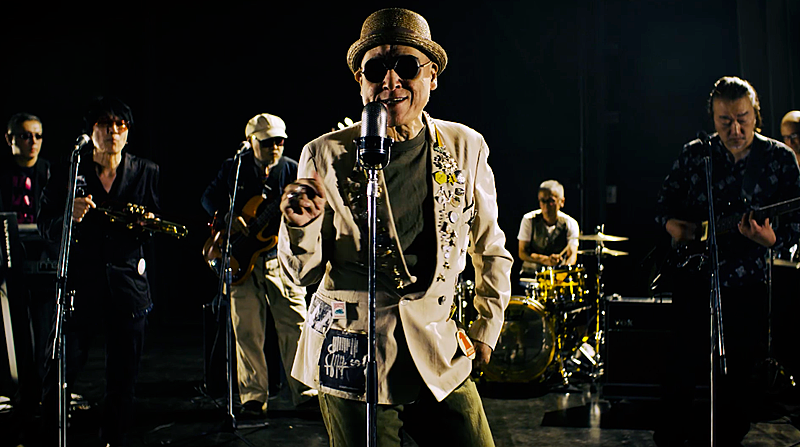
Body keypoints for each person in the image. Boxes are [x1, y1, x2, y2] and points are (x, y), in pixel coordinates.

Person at [278, 8, 513, 446]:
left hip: (438, 350)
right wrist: (299, 228)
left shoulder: (466, 146)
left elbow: (491, 247)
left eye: (406, 66)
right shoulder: (324, 153)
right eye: (375, 69)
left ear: (432, 76)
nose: (390, 81)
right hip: (351, 356)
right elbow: (301, 275)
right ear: (360, 81)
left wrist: (486, 329)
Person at [654, 76, 800, 446]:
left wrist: (770, 239)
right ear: (713, 118)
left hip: (747, 283)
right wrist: (674, 226)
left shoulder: (779, 159)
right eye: (725, 121)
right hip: (694, 276)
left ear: (756, 116)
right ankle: (671, 436)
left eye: (742, 119)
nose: (735, 130)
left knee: (740, 373)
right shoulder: (695, 154)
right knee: (681, 366)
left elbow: (796, 225)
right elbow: (664, 203)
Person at [37, 97, 161, 447]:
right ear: (90, 131)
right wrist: (69, 215)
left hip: (128, 288)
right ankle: (50, 434)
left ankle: (113, 439)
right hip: (79, 287)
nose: (113, 131)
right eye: (105, 124)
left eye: (120, 124)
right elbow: (45, 225)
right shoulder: (69, 169)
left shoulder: (146, 171)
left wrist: (146, 225)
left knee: (123, 377)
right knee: (61, 369)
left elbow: (154, 223)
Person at [201, 113, 312, 419]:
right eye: (267, 142)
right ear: (250, 142)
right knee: (247, 330)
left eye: (280, 141)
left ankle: (305, 392)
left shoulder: (292, 169)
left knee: (295, 325)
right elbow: (207, 198)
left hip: (280, 258)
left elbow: (309, 210)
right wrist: (227, 216)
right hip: (241, 261)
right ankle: (252, 397)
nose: (275, 147)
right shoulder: (234, 168)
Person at [1, 112, 53, 444]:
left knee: (45, 329)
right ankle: (23, 395)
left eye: (37, 135)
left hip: (44, 261)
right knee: (17, 330)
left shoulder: (49, 172)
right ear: (10, 139)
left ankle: (42, 395)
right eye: (24, 135)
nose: (32, 142)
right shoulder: (3, 174)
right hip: (9, 263)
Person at [517, 179, 579, 277]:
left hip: (557, 276)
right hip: (531, 275)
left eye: (551, 201)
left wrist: (563, 273)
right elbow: (522, 252)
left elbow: (572, 255)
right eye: (543, 201)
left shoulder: (570, 223)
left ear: (561, 202)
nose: (546, 206)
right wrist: (544, 260)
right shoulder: (529, 220)